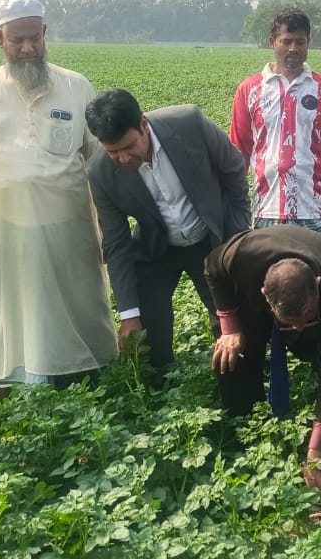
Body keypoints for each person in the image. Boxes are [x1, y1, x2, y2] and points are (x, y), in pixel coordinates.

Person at [0, 0, 116, 395]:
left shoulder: (76, 87)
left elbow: (101, 164)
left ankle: (88, 378)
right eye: (16, 40)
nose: (27, 49)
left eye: (34, 39)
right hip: (7, 231)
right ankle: (7, 385)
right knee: (9, 313)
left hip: (70, 229)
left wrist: (111, 233)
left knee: (79, 307)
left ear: (45, 34)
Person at [85, 89, 250, 384]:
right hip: (157, 249)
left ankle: (237, 392)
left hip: (210, 241)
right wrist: (129, 316)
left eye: (128, 146)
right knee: (148, 331)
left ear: (144, 125)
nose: (122, 158)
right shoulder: (100, 173)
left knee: (230, 319)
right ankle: (158, 395)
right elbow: (117, 243)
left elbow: (234, 171)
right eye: (113, 152)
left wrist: (233, 243)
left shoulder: (189, 124)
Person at [205, 225, 321, 494]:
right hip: (261, 275)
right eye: (293, 323)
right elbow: (211, 267)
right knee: (235, 351)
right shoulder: (241, 257)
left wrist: (317, 450)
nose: (301, 329)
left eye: (307, 318)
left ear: (317, 285)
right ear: (265, 297)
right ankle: (242, 433)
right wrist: (230, 327)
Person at [229, 8, 321, 239]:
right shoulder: (250, 89)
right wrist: (235, 207)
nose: (293, 48)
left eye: (300, 42)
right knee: (270, 275)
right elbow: (238, 151)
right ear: (272, 42)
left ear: (308, 43)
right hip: (267, 209)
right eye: (286, 41)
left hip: (317, 210)